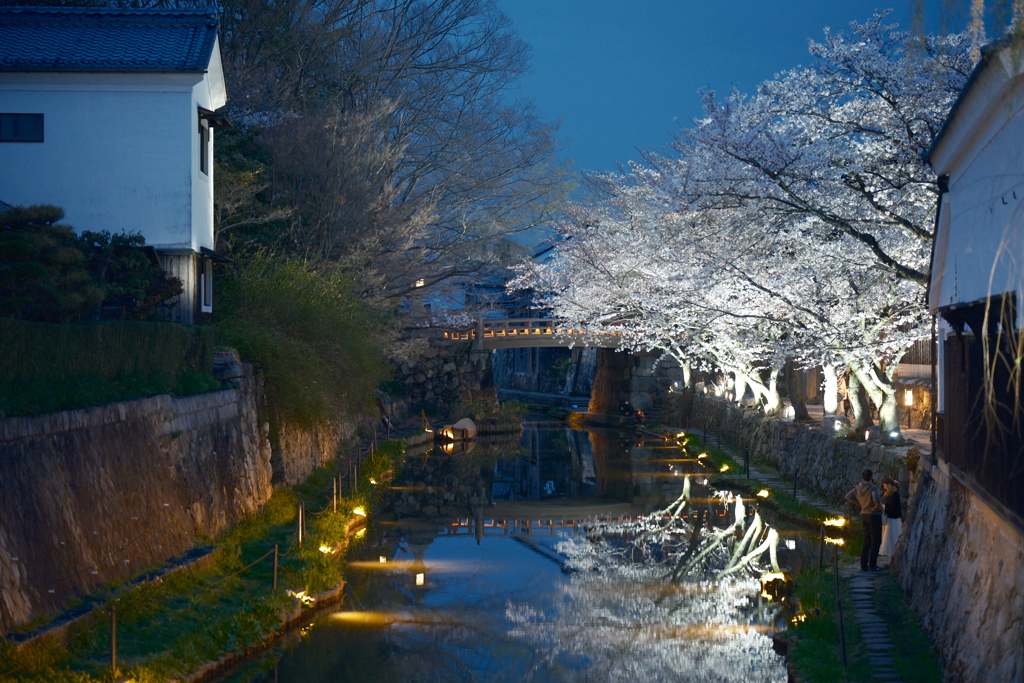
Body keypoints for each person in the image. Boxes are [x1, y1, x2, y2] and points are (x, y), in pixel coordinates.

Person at [845, 468, 883, 571]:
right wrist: (876, 506)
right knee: (876, 541)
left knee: (866, 540)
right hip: (874, 515)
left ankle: (863, 565)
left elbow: (848, 496)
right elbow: (877, 499)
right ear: (872, 477)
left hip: (864, 515)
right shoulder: (873, 488)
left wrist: (860, 504)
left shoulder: (858, 488)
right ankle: (872, 565)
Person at [879, 477, 902, 557]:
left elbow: (893, 507)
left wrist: (883, 507)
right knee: (890, 537)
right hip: (891, 518)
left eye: (885, 485)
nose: (884, 487)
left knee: (892, 536)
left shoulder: (894, 494)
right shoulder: (891, 493)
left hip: (893, 519)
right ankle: (891, 553)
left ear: (889, 485)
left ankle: (893, 552)